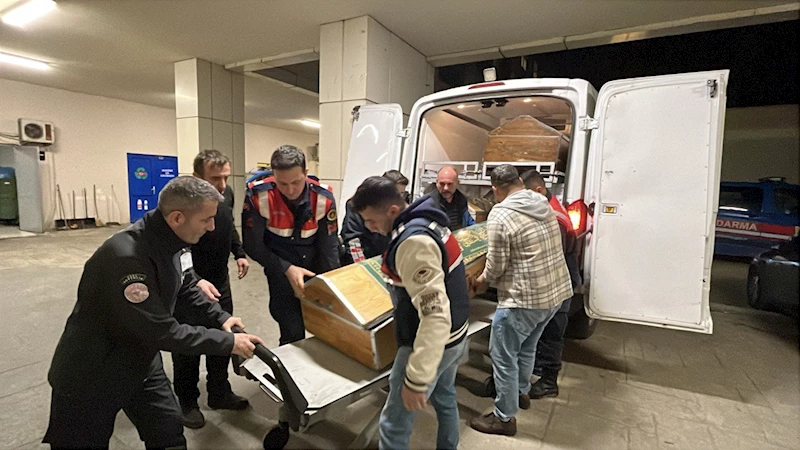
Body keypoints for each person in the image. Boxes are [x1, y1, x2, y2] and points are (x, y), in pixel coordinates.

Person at [43, 176, 264, 449]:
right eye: (206, 219)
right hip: (92, 373)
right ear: (177, 218)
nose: (212, 227)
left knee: (169, 437)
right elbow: (162, 332)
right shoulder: (127, 259)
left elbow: (187, 283)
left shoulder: (175, 241)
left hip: (141, 362)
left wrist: (221, 318)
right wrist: (230, 343)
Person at [351, 176, 470, 450]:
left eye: (371, 221)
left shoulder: (413, 242)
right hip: (455, 337)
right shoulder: (429, 220)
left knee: (394, 425)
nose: (370, 228)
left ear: (392, 211)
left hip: (428, 343)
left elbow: (435, 315)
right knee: (445, 398)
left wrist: (416, 378)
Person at [469, 165, 572, 436]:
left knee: (503, 355)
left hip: (524, 298)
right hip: (555, 293)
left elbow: (497, 266)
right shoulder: (541, 201)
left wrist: (480, 282)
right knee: (527, 347)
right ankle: (521, 393)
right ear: (518, 181)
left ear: (495, 189)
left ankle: (504, 417)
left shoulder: (501, 214)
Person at [172, 150, 252, 429]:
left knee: (223, 334)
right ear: (197, 177)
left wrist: (239, 252)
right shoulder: (181, 202)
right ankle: (187, 400)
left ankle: (219, 391)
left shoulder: (225, 194)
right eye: (214, 178)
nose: (221, 184)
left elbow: (228, 226)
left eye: (225, 177)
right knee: (188, 343)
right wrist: (191, 278)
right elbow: (175, 246)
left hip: (219, 280)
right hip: (187, 284)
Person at [242, 145, 340, 346]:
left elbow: (328, 248)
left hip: (315, 266)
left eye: (296, 182)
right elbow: (253, 247)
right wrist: (286, 269)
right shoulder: (258, 196)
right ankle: (288, 375)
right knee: (291, 331)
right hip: (279, 266)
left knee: (327, 330)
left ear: (306, 172)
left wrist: (332, 286)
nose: (290, 190)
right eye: (282, 183)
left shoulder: (323, 199)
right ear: (273, 175)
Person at [521, 169, 582, 399]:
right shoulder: (552, 207)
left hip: (559, 282)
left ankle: (548, 382)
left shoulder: (553, 218)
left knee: (552, 333)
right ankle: (538, 372)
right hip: (561, 278)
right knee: (547, 331)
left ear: (538, 190)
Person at [341, 170, 409, 264]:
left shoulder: (403, 211)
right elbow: (353, 240)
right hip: (366, 258)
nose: (399, 198)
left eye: (402, 193)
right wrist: (362, 266)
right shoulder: (361, 206)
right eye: (396, 193)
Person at [429, 166, 475, 230]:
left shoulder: (461, 200)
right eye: (442, 184)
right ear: (437, 182)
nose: (446, 188)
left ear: (457, 183)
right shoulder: (429, 204)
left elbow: (470, 223)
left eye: (450, 184)